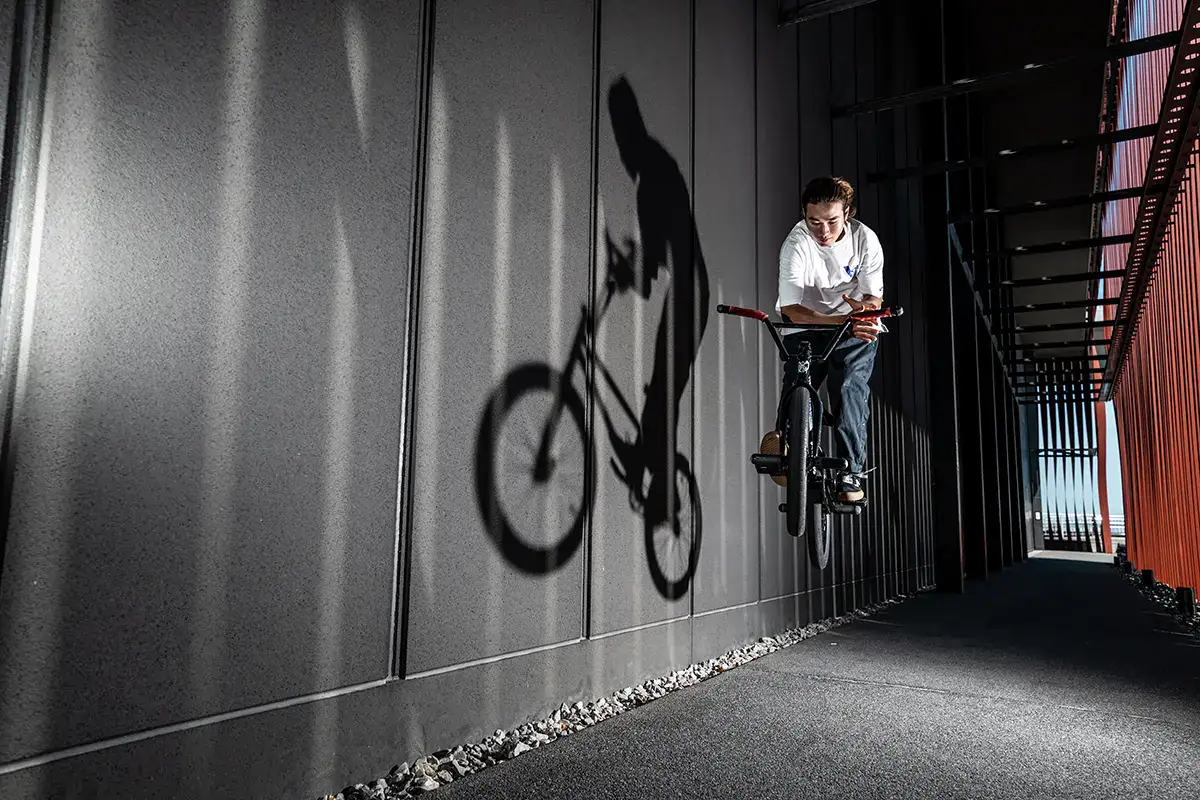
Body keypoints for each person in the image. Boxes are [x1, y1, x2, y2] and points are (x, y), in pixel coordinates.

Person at [763, 176, 884, 503]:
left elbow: (873, 298)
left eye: (832, 221)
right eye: (814, 221)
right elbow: (791, 308)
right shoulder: (796, 244)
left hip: (853, 329)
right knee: (796, 383)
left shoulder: (865, 241)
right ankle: (787, 447)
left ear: (848, 214)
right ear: (804, 215)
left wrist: (864, 313)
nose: (823, 231)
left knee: (848, 388)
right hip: (807, 324)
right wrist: (836, 320)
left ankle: (850, 472)